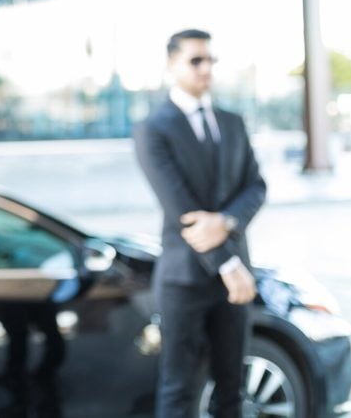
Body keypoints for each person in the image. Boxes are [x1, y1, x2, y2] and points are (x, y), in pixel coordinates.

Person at [133, 29, 266, 418]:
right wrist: (229, 265)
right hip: (185, 280)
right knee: (178, 391)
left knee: (232, 391)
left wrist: (226, 221)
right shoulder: (153, 129)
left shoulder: (233, 122)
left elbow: (256, 186)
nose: (206, 68)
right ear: (172, 64)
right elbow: (184, 213)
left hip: (234, 278)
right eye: (196, 60)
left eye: (210, 60)